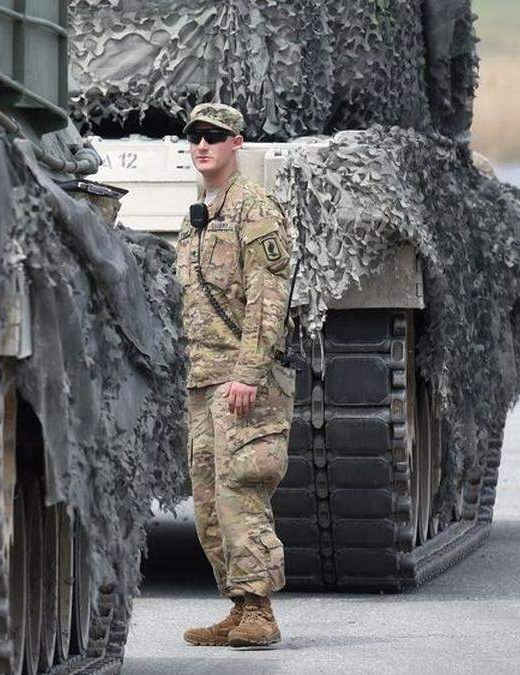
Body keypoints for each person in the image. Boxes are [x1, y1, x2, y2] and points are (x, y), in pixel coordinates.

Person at [175, 103, 294, 648]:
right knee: (207, 501)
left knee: (241, 493)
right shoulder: (199, 211)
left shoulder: (253, 208)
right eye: (195, 137)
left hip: (241, 383)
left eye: (214, 137)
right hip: (205, 379)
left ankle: (261, 611)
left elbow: (267, 300)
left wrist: (249, 372)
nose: (203, 146)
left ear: (236, 144)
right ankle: (239, 603)